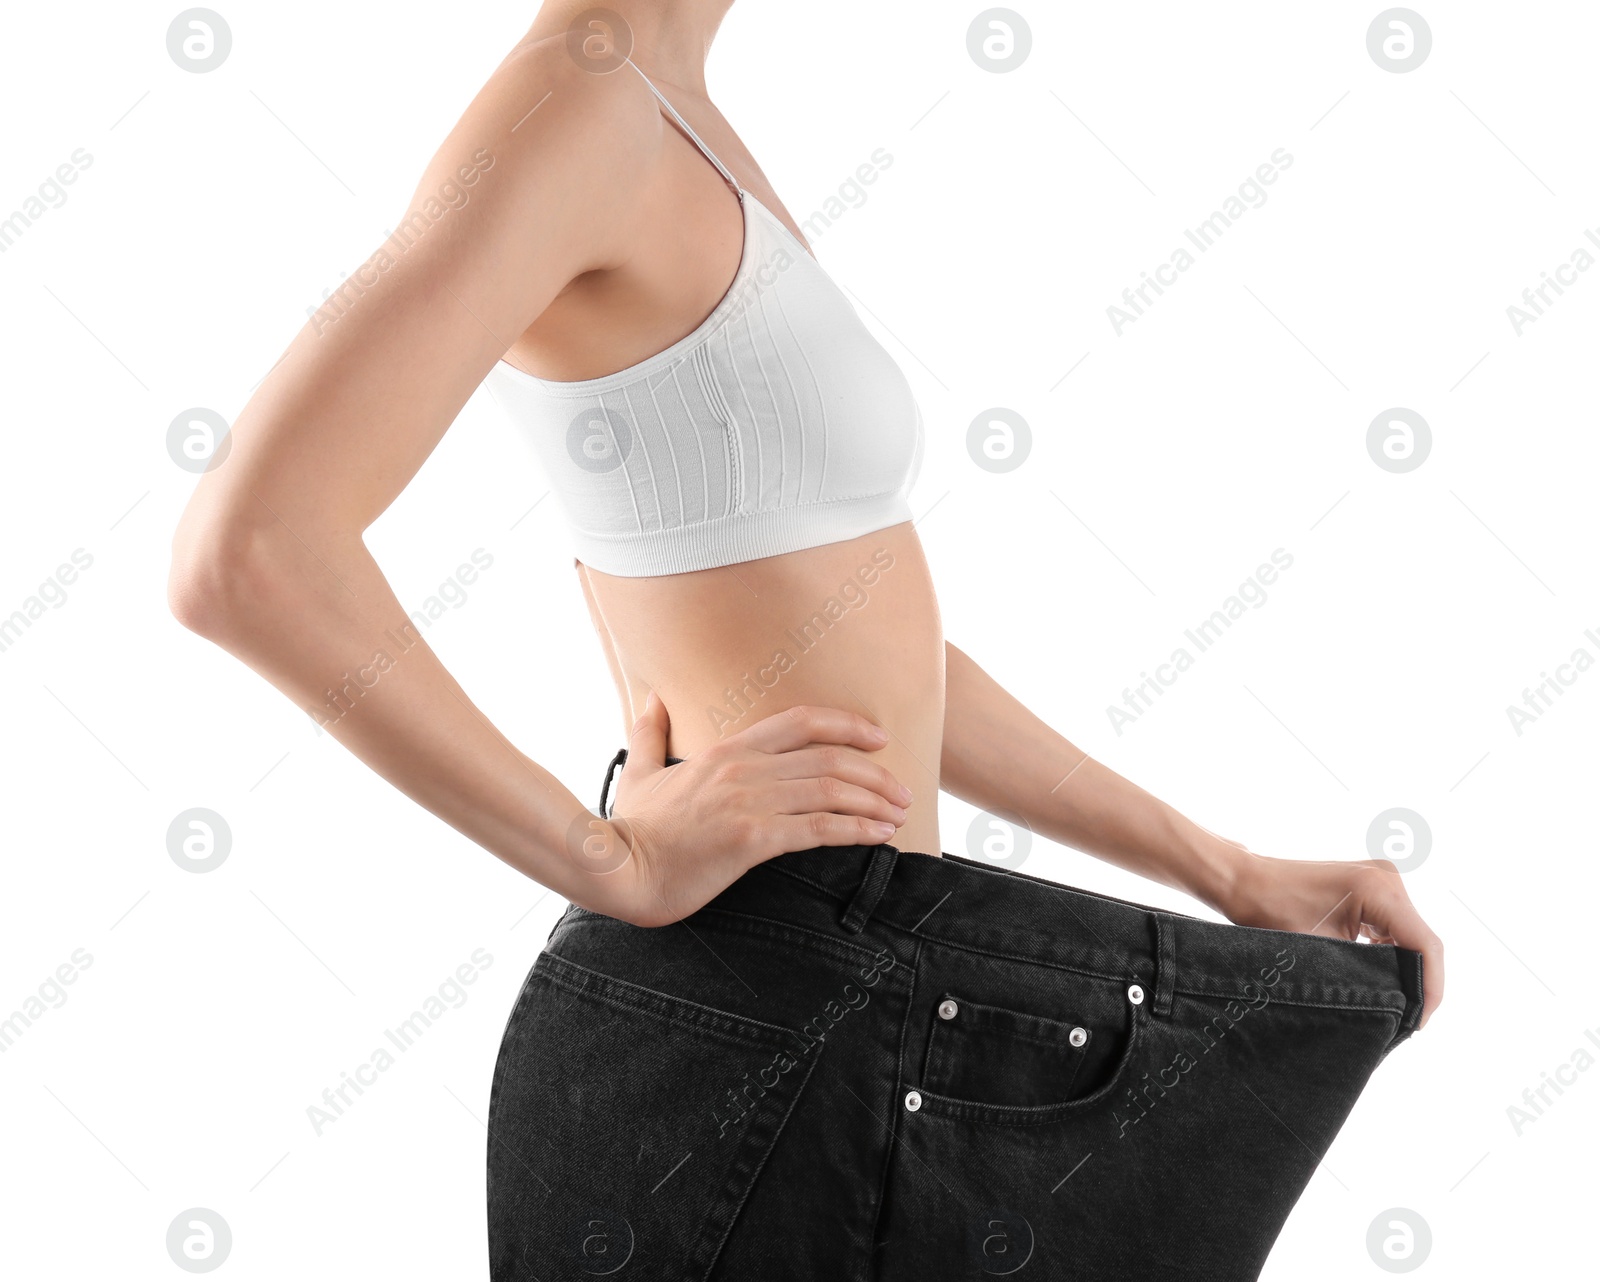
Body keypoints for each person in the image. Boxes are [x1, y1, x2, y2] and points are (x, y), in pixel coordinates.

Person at [167, 2, 1443, 1276]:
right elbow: (250, 555)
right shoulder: (579, 105)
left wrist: (1223, 869)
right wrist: (602, 858)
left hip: (855, 987)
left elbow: (885, 669)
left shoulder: (664, 107)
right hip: (752, 1010)